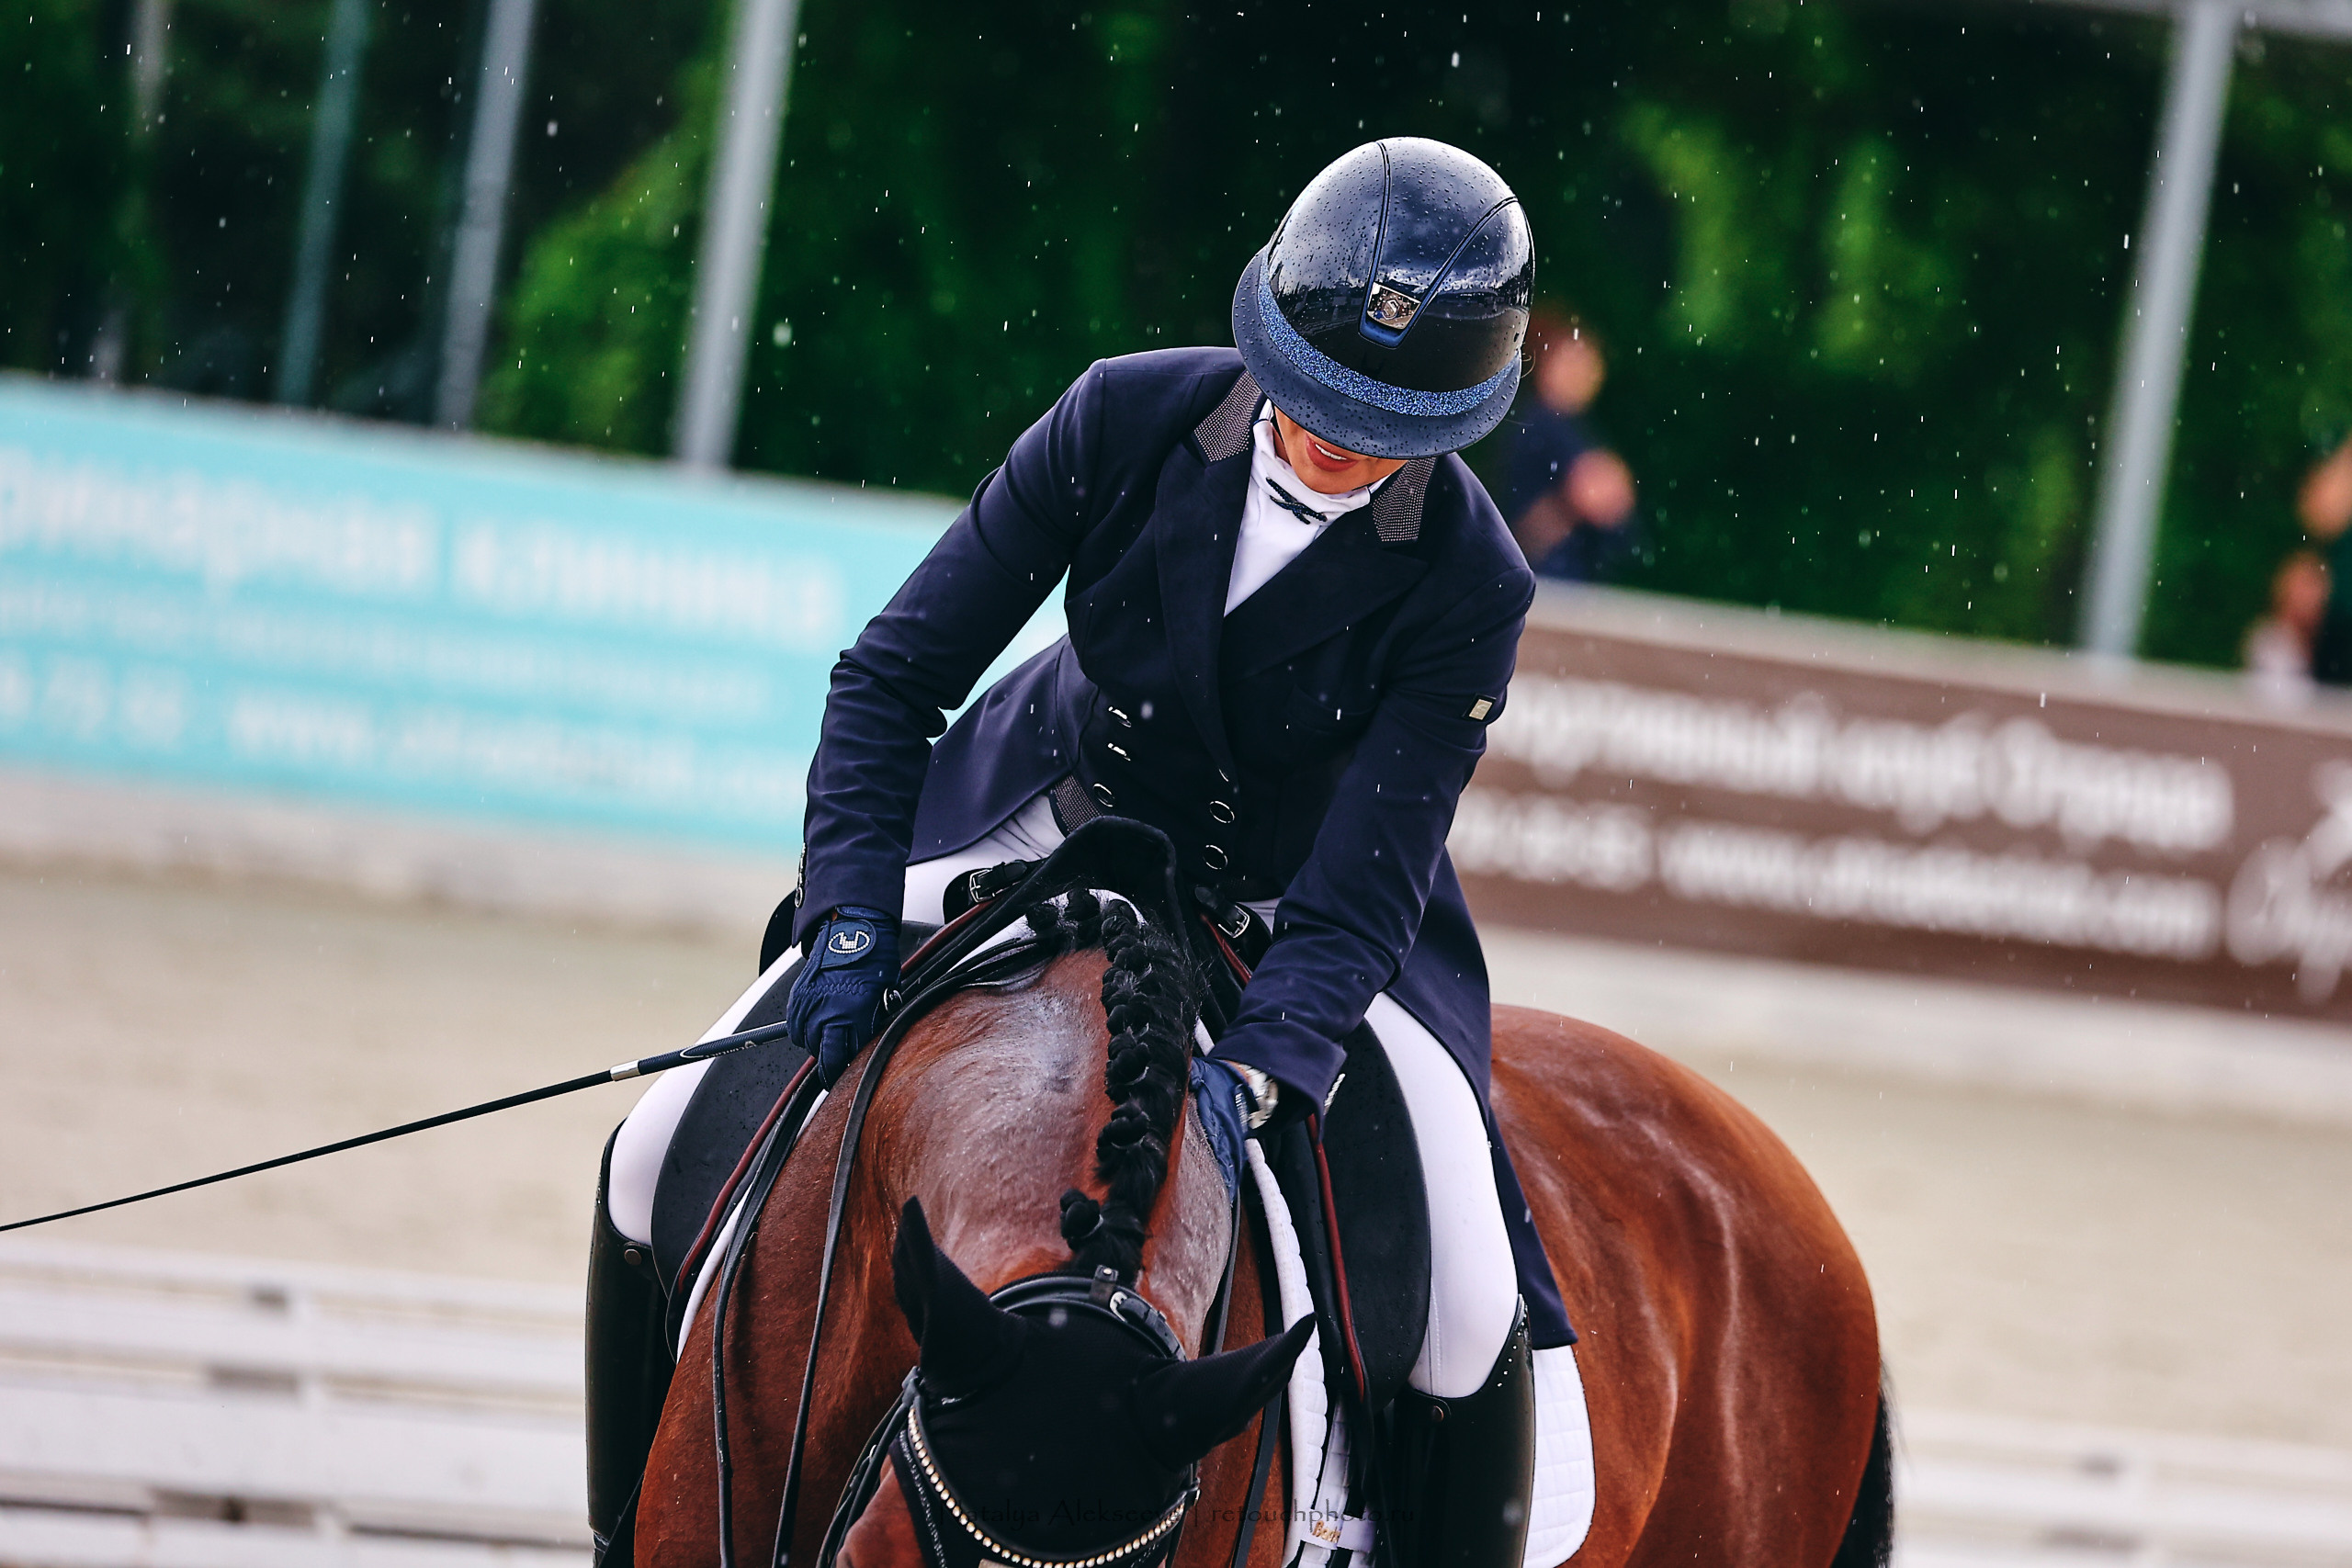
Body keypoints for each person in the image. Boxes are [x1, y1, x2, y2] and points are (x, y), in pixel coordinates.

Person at [589, 138, 1572, 1568]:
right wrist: (852, 916)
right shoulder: (1125, 414)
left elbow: (1371, 876)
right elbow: (891, 676)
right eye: (1312, 394)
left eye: (1389, 418)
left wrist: (1263, 1068)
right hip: (1040, 821)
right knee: (652, 1149)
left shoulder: (1473, 579)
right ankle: (630, 1533)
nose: (1335, 438)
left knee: (1474, 1292)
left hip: (1286, 905)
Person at [1496, 309, 1638, 581]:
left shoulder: (1571, 426)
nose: (1583, 372)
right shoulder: (1543, 422)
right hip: (1548, 577)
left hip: (1554, 577)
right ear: (1548, 364)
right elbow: (1597, 493)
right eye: (1572, 360)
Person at [2245, 549, 2329, 702]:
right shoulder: (2269, 640)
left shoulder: (2328, 644)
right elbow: (2279, 702)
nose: (2311, 598)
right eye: (2304, 586)